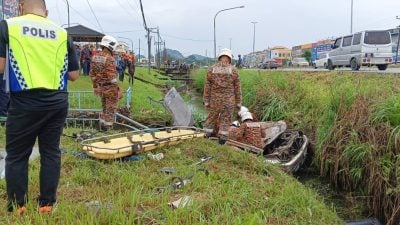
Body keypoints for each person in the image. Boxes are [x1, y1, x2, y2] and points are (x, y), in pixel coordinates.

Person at [0, 0, 79, 214]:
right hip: (57, 101)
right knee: (51, 152)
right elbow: (73, 75)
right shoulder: (62, 34)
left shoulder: (9, 25)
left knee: (17, 155)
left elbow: (0, 66)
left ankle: (18, 207)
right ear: (46, 12)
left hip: (25, 101)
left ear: (21, 6)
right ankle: (47, 204)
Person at [203, 48, 242, 142]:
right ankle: (222, 140)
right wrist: (239, 103)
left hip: (214, 100)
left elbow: (207, 86)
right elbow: (237, 88)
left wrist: (206, 101)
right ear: (230, 58)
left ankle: (206, 136)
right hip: (229, 101)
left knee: (211, 118)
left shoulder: (211, 69)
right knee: (226, 120)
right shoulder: (234, 70)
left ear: (219, 57)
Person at [90, 35, 120, 130]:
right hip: (110, 88)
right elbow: (112, 78)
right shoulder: (109, 58)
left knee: (104, 108)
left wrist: (95, 87)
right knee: (110, 109)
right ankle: (108, 128)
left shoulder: (95, 57)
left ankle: (102, 126)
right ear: (110, 46)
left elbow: (92, 75)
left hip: (101, 87)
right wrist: (117, 89)